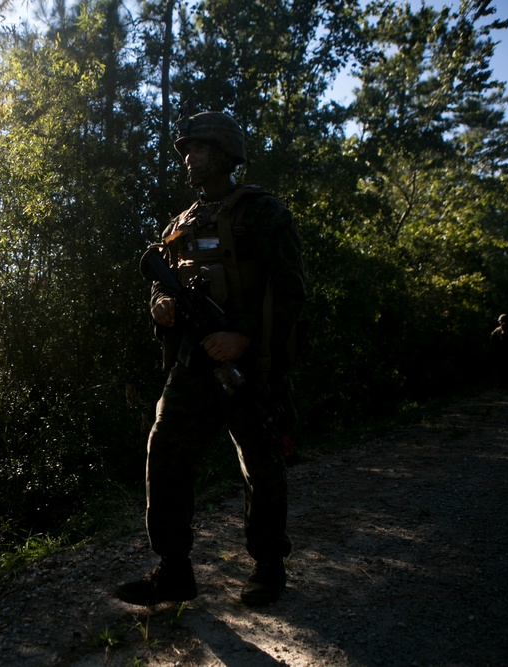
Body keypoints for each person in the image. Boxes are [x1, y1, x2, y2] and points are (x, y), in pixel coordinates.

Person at [115, 111, 306, 607]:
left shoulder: (264, 214)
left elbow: (290, 291)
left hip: (250, 365)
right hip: (193, 364)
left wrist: (242, 338)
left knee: (261, 463)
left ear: (223, 154)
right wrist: (159, 305)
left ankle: (268, 567)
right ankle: (173, 570)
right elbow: (162, 280)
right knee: (166, 453)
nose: (187, 158)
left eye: (197, 149)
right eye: (185, 150)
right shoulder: (180, 225)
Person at [489, 314, 508, 387]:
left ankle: (507, 383)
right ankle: (501, 383)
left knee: (507, 369)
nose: (502, 323)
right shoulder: (496, 331)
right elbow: (492, 342)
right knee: (500, 368)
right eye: (501, 321)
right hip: (499, 353)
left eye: (504, 321)